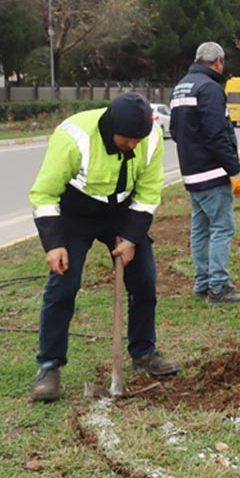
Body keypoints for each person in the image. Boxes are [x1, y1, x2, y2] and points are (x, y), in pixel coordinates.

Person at [28, 93, 178, 402]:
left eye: (139, 138)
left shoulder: (149, 139)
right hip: (76, 213)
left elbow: (149, 192)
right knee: (63, 286)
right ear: (111, 128)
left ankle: (144, 352)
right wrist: (55, 244)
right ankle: (49, 365)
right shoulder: (74, 136)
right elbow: (44, 194)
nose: (134, 145)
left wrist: (132, 237)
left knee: (144, 281)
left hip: (122, 212)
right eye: (128, 139)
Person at [170, 42, 240, 304]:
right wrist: (234, 170)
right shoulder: (210, 89)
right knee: (222, 228)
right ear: (218, 61)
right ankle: (218, 287)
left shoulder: (182, 86)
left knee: (201, 229)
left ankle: (202, 283)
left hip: (191, 174)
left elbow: (175, 131)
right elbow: (217, 134)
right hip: (212, 173)